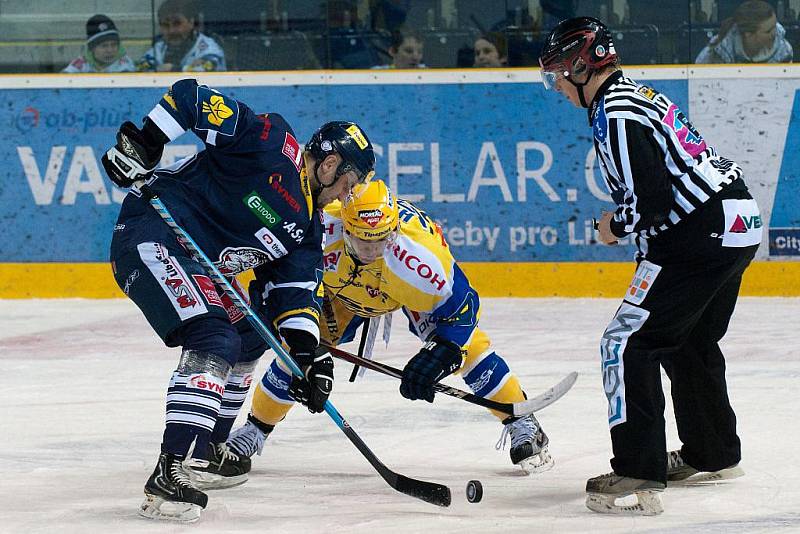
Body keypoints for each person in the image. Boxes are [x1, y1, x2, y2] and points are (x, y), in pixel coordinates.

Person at [102, 78, 375, 522]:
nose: (349, 193)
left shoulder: (306, 230)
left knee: (251, 335)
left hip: (197, 265)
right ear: (328, 163)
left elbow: (294, 297)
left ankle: (210, 447)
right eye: (349, 180)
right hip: (150, 233)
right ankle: (168, 471)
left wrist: (306, 358)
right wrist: (146, 143)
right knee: (214, 338)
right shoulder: (272, 143)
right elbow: (192, 98)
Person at [539, 17, 761, 515]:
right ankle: (713, 453)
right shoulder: (638, 96)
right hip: (737, 221)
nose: (556, 85)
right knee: (688, 338)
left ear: (581, 64)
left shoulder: (614, 113)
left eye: (557, 72)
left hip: (698, 233)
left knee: (626, 343)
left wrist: (612, 227)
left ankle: (638, 468)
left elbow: (653, 205)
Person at [225, 179, 554, 476]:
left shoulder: (419, 257)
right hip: (339, 289)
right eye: (363, 242)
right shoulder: (322, 228)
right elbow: (278, 267)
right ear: (346, 229)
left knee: (470, 349)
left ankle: (521, 421)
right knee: (298, 348)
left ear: (393, 232)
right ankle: (256, 429)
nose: (371, 252)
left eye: (380, 241)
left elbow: (463, 308)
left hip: (398, 289)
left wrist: (445, 352)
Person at [137, 0, 226, 72]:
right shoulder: (159, 48)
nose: (171, 30)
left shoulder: (208, 47)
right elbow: (141, 69)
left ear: (191, 22)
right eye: (165, 25)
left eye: (177, 24)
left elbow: (208, 70)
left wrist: (173, 70)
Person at [696, 0, 793, 64]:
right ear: (748, 34)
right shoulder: (718, 49)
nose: (775, 33)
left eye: (775, 26)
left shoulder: (784, 51)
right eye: (768, 31)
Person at [62, 14, 135, 73]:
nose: (110, 50)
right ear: (92, 48)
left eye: (114, 45)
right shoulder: (82, 63)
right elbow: (63, 79)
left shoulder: (124, 62)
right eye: (104, 46)